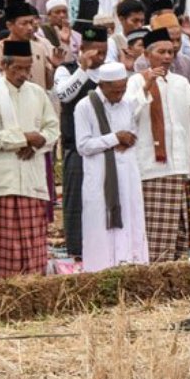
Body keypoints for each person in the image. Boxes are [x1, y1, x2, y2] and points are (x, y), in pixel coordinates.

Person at [125, 27, 190, 262]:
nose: (166, 57)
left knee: (180, 230)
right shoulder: (135, 81)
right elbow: (128, 116)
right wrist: (146, 86)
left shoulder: (181, 82)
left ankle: (176, 277)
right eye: (161, 52)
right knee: (155, 233)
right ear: (147, 54)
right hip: (152, 168)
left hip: (181, 165)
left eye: (171, 52)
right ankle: (154, 276)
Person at [0, 40, 58, 278]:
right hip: (2, 179)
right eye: (17, 69)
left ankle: (33, 286)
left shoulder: (37, 93)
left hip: (32, 176)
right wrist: (24, 138)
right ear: (3, 65)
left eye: (27, 68)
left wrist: (38, 142)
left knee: (34, 241)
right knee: (5, 241)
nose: (23, 74)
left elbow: (52, 130)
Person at [73, 62, 148, 272]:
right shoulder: (85, 107)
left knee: (131, 220)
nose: (120, 94)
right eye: (115, 91)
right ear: (102, 85)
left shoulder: (128, 103)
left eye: (123, 89)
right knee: (100, 228)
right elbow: (83, 145)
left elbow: (135, 134)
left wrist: (127, 140)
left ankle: (131, 269)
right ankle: (100, 271)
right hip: (100, 178)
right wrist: (115, 138)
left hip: (128, 176)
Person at [53, 25, 108, 259]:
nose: (100, 57)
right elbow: (64, 95)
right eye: (95, 51)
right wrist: (83, 69)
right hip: (76, 148)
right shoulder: (66, 70)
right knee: (76, 202)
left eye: (104, 52)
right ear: (82, 49)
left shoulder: (108, 73)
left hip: (105, 147)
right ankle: (77, 251)